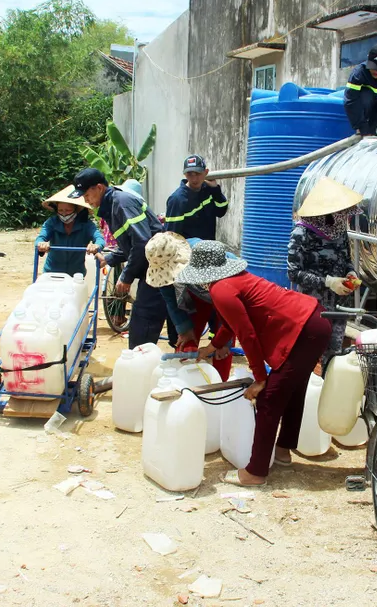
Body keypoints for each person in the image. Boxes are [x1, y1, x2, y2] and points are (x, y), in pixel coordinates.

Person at [177, 241, 332, 486]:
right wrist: (213, 346)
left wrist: (260, 378)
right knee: (293, 389)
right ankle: (282, 451)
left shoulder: (221, 290)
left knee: (270, 397)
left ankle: (256, 472)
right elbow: (231, 324)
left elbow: (246, 334)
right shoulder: (235, 279)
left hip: (303, 330)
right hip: (314, 320)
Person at [71, 168, 167, 348]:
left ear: (99, 188)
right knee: (146, 321)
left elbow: (142, 242)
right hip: (154, 267)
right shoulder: (112, 204)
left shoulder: (121, 203)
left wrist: (126, 276)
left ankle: (141, 366)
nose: (85, 199)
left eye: (86, 194)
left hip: (161, 268)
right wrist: (110, 258)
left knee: (143, 323)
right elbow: (132, 244)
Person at [287, 177, 363, 371]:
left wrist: (351, 272)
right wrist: (328, 282)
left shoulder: (339, 231)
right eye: (341, 213)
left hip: (339, 305)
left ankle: (329, 392)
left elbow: (345, 259)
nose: (344, 218)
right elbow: (294, 273)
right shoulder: (301, 233)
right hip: (313, 306)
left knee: (334, 354)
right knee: (308, 354)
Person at [144, 232, 233, 380]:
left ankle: (220, 388)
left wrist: (224, 341)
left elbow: (232, 305)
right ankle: (181, 383)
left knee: (222, 349)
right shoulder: (159, 259)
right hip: (196, 298)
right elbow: (170, 299)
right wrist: (184, 329)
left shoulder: (206, 255)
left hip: (226, 299)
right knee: (186, 345)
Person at [35, 184, 105, 276]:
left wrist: (96, 245)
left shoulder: (86, 225)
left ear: (76, 210)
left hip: (76, 275)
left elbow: (99, 238)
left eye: (68, 211)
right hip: (52, 272)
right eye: (60, 210)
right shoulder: (51, 223)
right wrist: (41, 244)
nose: (64, 214)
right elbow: (40, 238)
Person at [164, 155, 229, 240]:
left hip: (209, 248)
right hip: (188, 250)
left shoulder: (208, 189)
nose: (194, 179)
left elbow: (221, 212)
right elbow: (171, 236)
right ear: (184, 174)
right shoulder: (177, 200)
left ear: (206, 172)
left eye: (198, 174)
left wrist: (215, 189)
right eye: (189, 174)